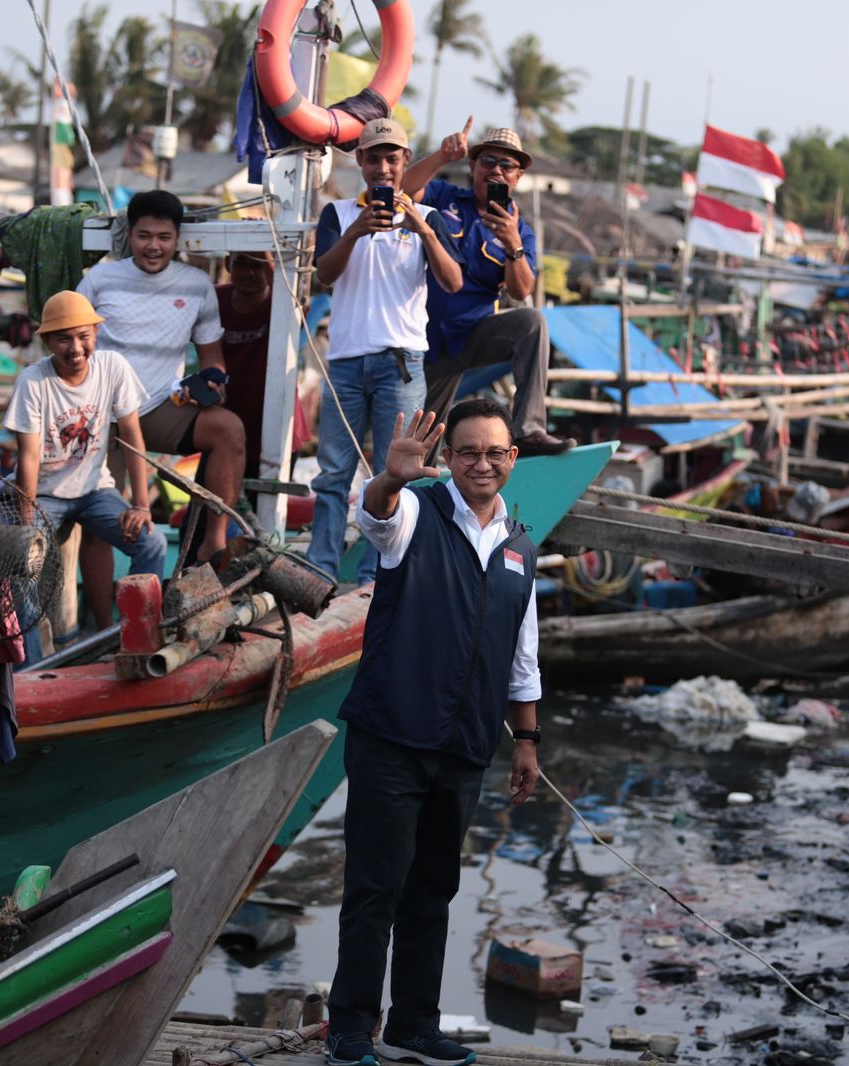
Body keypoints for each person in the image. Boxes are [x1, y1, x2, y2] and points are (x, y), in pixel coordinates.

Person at [325, 398, 540, 1066]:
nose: (482, 463)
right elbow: (376, 517)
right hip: (392, 735)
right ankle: (351, 1030)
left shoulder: (520, 547)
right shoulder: (417, 513)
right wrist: (391, 478)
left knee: (433, 889)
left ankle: (413, 1023)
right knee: (373, 888)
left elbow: (523, 655)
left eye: (494, 452)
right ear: (448, 459)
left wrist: (527, 740)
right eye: (468, 451)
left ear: (512, 459)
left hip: (465, 747)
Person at [308, 117, 464, 586]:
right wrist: (355, 231)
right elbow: (323, 276)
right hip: (346, 361)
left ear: (404, 163)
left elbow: (453, 283)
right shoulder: (337, 213)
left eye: (391, 158)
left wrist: (425, 231)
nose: (382, 167)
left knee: (395, 474)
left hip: (401, 362)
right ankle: (321, 569)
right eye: (373, 157)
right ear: (359, 161)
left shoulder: (428, 218)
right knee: (333, 472)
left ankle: (382, 574)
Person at [77, 188, 244, 567]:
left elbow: (213, 360)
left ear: (177, 239)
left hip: (159, 409)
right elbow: (71, 351)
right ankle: (101, 624)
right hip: (101, 415)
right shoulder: (100, 280)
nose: (154, 246)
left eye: (164, 237)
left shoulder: (197, 284)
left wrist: (213, 382)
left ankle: (213, 545)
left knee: (229, 429)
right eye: (144, 236)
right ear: (130, 235)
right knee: (100, 525)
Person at [5, 290, 166, 659]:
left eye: (83, 336)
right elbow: (28, 459)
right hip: (44, 497)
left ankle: (136, 642)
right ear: (47, 341)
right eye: (63, 339)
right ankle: (31, 666)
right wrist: (26, 524)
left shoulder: (113, 367)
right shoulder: (33, 381)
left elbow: (132, 436)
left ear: (96, 333)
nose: (75, 348)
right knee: (20, 566)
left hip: (95, 491)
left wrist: (141, 505)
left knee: (151, 543)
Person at [402, 120, 575, 456]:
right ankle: (407, 499)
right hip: (425, 338)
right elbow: (405, 190)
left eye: (506, 164)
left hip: (473, 333)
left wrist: (512, 245)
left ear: (518, 176)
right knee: (419, 446)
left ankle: (528, 430)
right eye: (488, 161)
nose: (496, 170)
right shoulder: (446, 197)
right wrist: (441, 155)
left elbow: (522, 288)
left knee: (532, 322)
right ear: (472, 166)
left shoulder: (520, 231)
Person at [214, 250, 312, 479]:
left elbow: (297, 303)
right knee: (208, 508)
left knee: (265, 510)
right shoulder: (214, 299)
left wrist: (267, 250)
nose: (249, 272)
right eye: (241, 263)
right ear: (228, 264)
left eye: (258, 265)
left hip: (274, 430)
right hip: (223, 426)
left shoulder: (285, 305)